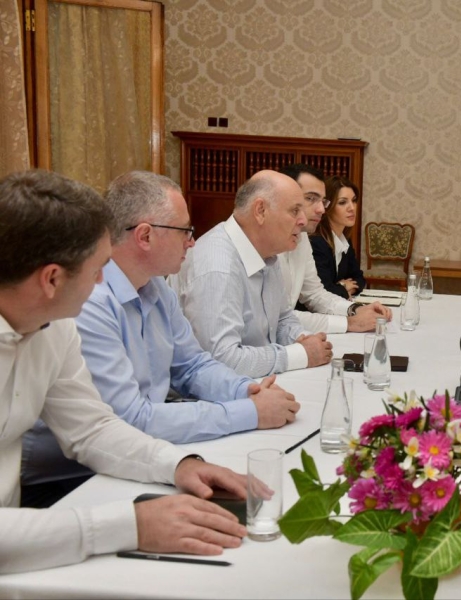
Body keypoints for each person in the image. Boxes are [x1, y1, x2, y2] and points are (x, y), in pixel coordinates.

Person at [0, 170, 247, 574]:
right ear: (51, 279)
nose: (102, 280)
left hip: (30, 539)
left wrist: (178, 464)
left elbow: (92, 428)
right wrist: (131, 524)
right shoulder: (77, 313)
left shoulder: (55, 324)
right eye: (96, 268)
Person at [21, 172, 302, 499]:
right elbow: (129, 420)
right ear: (144, 236)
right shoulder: (88, 302)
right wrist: (250, 412)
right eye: (185, 230)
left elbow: (192, 365)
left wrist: (247, 391)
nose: (192, 241)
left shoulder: (155, 288)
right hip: (65, 481)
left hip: (136, 455)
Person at [171, 170, 333, 377]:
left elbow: (283, 319)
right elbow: (221, 360)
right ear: (260, 211)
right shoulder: (218, 265)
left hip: (258, 381)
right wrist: (300, 354)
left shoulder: (267, 251)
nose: (303, 220)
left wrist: (302, 338)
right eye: (295, 211)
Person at [277, 163, 390, 333]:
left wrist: (356, 309)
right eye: (310, 198)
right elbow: (279, 318)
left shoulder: (303, 238)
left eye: (323, 201)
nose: (322, 209)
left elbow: (315, 295)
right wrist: (350, 323)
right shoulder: (265, 243)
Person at [309, 175, 366, 299]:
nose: (352, 208)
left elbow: (360, 279)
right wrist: (343, 287)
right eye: (342, 202)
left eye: (354, 200)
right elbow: (322, 292)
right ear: (327, 206)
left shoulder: (344, 240)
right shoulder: (317, 242)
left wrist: (339, 288)